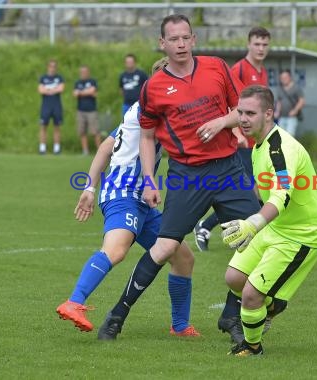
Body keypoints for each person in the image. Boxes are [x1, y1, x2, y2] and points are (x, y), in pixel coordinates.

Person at [97, 14, 260, 344]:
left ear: (194, 39)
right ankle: (116, 316)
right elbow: (145, 137)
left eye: (186, 37)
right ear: (163, 44)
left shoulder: (215, 67)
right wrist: (148, 180)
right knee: (166, 246)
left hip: (228, 169)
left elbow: (241, 110)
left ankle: (232, 316)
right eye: (174, 39)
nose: (181, 44)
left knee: (256, 239)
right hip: (187, 174)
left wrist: (220, 122)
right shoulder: (153, 88)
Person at [57, 57, 200, 338]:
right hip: (124, 192)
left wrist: (89, 188)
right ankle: (74, 302)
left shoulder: (139, 111)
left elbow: (104, 148)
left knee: (183, 258)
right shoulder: (150, 110)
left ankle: (180, 326)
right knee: (116, 250)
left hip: (142, 199)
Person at [221, 85, 317, 356]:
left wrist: (252, 223)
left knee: (250, 295)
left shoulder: (280, 149)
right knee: (234, 277)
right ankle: (273, 305)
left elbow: (281, 195)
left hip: (302, 233)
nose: (243, 119)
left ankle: (252, 346)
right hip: (277, 227)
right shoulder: (259, 144)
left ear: (268, 114)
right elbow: (265, 190)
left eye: (250, 113)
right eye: (240, 112)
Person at [194, 26, 271, 252]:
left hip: (256, 140)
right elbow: (229, 104)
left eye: (265, 44)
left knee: (255, 189)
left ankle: (235, 230)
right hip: (241, 141)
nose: (261, 48)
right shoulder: (238, 69)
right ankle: (208, 226)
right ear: (248, 44)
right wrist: (237, 133)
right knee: (248, 190)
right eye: (257, 44)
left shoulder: (262, 71)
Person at [73, 65, 101, 155]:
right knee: (82, 132)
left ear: (88, 72)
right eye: (81, 72)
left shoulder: (92, 81)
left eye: (85, 72)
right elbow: (75, 94)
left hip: (91, 110)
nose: (83, 73)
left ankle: (100, 151)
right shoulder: (77, 82)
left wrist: (81, 92)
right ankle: (85, 151)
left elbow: (93, 91)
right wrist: (87, 92)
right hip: (80, 110)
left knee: (95, 132)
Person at [38, 59, 64, 155]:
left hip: (56, 105)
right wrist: (53, 89)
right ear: (48, 67)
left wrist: (48, 89)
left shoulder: (59, 78)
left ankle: (57, 148)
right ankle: (42, 148)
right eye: (51, 66)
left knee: (57, 127)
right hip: (46, 106)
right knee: (43, 126)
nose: (52, 68)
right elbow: (41, 90)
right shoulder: (43, 78)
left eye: (54, 66)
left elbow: (61, 89)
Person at [274, 70, 305, 137]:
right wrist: (277, 111)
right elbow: (279, 101)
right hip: (282, 117)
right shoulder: (280, 89)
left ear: (289, 77)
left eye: (285, 77)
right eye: (282, 78)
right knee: (281, 137)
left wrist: (295, 110)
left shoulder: (296, 88)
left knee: (289, 136)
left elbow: (302, 101)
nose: (283, 79)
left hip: (292, 117)